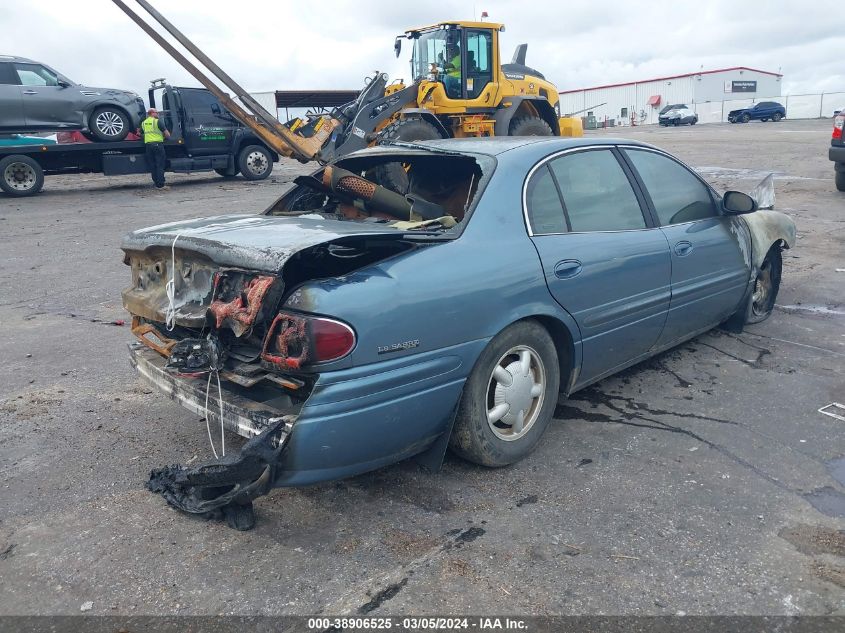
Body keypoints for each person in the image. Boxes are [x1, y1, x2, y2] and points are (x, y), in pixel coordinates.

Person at [139, 108, 171, 189]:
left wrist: (146, 137)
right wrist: (164, 138)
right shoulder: (157, 121)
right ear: (152, 113)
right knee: (160, 165)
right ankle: (161, 185)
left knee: (152, 165)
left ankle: (156, 183)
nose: (158, 114)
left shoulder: (143, 123)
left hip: (148, 146)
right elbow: (167, 134)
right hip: (157, 145)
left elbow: (139, 133)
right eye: (157, 113)